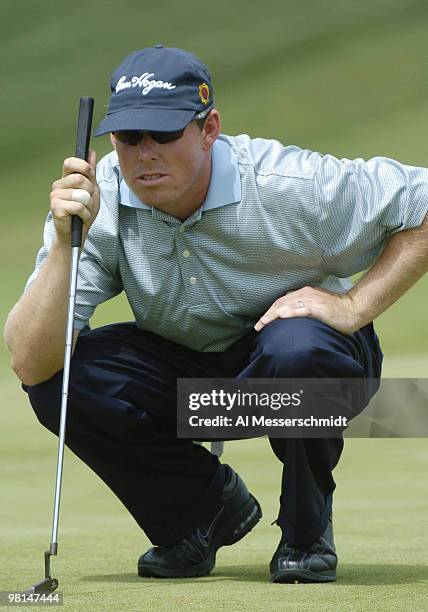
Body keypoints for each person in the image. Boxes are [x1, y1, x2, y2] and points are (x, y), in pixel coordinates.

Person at [4, 45, 428, 584]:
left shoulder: (289, 184)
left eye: (163, 134)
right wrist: (67, 244)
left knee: (298, 350)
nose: (144, 154)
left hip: (300, 371)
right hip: (204, 394)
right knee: (60, 378)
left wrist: (354, 305)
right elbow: (29, 361)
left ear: (209, 129)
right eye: (129, 138)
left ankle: (306, 531)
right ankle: (199, 512)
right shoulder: (97, 198)